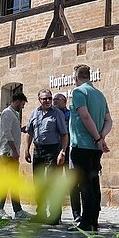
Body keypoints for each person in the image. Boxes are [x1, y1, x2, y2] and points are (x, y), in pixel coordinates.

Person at [69, 64, 111, 232]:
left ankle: (86, 222)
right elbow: (109, 121)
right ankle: (93, 221)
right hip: (95, 148)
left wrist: (96, 137)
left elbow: (85, 116)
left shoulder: (79, 92)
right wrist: (101, 138)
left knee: (85, 184)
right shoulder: (100, 95)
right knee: (94, 183)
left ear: (76, 78)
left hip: (82, 145)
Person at [25, 89, 69, 224]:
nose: (47, 101)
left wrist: (62, 152)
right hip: (38, 149)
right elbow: (29, 132)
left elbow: (64, 134)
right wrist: (26, 149)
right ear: (39, 100)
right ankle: (41, 213)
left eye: (49, 98)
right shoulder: (34, 113)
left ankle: (55, 215)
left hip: (53, 150)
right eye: (44, 99)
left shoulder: (57, 114)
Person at [0, 91, 29, 221]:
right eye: (23, 104)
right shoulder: (8, 113)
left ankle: (18, 210)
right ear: (18, 101)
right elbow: (6, 133)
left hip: (11, 153)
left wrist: (20, 129)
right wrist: (14, 150)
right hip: (8, 153)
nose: (23, 106)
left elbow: (11, 130)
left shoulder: (13, 114)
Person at [53, 92, 80, 223]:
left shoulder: (69, 115)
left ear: (64, 101)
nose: (54, 101)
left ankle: (76, 214)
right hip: (54, 152)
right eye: (54, 99)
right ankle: (56, 215)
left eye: (57, 99)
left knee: (72, 184)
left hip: (69, 152)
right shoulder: (51, 114)